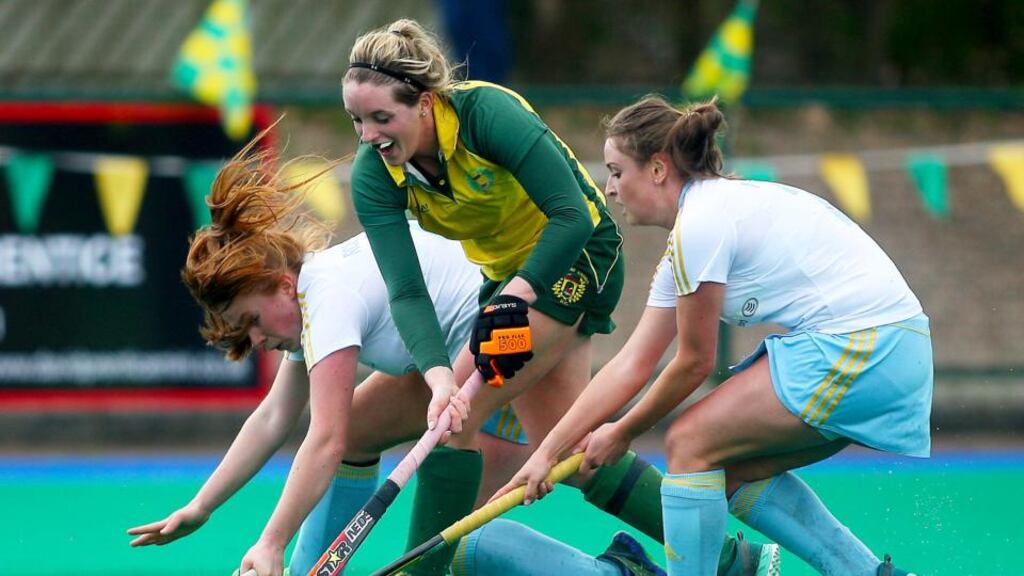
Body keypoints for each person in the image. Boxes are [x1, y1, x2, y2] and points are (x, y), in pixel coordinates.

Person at [341, 19, 776, 576]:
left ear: (425, 104)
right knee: (569, 448)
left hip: (579, 253)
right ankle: (730, 561)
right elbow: (405, 290)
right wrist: (438, 377)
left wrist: (513, 299)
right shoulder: (375, 175)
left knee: (458, 421)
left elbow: (570, 213)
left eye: (382, 118)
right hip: (505, 281)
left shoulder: (485, 115)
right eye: (357, 120)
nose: (368, 135)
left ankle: (418, 575)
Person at [496, 96, 931, 576]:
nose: (610, 188)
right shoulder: (698, 226)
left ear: (658, 169)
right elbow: (631, 364)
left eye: (618, 171)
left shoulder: (701, 224)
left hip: (864, 346)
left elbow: (694, 363)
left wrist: (621, 431)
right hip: (895, 350)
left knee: (689, 441)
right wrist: (546, 454)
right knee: (727, 469)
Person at [125, 140, 533, 576]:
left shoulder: (327, 299)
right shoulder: (310, 294)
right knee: (363, 433)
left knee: (457, 550)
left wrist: (270, 543)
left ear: (282, 285)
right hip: (459, 354)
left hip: (513, 342)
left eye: (253, 321)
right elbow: (272, 418)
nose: (258, 340)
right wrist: (201, 507)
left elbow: (325, 439)